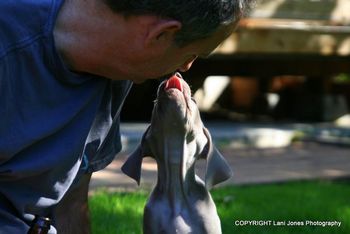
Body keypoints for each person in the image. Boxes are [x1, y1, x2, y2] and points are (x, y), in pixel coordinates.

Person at [0, 0, 254, 233]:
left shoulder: (117, 71)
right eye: (193, 54)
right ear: (160, 34)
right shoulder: (9, 49)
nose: (187, 67)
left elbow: (71, 200)